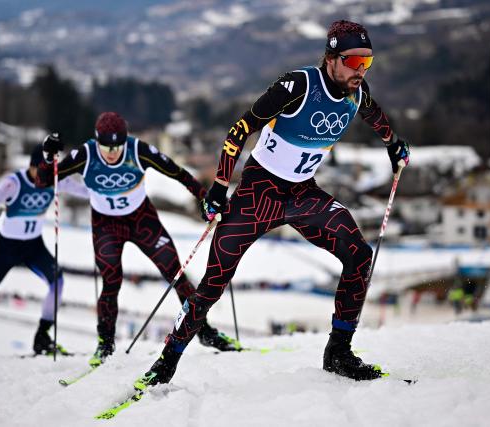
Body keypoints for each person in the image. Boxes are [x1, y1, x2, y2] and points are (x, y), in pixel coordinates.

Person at [139, 19, 411, 386]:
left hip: (302, 195)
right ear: (330, 58)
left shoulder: (354, 94)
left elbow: (375, 117)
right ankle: (167, 361)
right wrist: (220, 185)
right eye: (352, 61)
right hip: (258, 195)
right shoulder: (298, 85)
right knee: (213, 284)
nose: (359, 70)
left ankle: (339, 354)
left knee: (359, 255)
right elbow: (240, 130)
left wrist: (393, 144)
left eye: (367, 62)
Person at [36, 112, 239, 368]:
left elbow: (178, 173)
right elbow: (45, 180)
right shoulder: (85, 155)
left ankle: (204, 331)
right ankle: (105, 343)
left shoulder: (138, 150)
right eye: (106, 146)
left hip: (142, 221)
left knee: (176, 274)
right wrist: (47, 158)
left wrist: (206, 198)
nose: (112, 152)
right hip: (106, 226)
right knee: (111, 283)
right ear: (97, 141)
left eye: (117, 146)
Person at [0, 146, 89, 358]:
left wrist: (101, 190)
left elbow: (85, 191)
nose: (44, 178)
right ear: (31, 167)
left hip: (34, 246)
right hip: (7, 248)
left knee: (58, 282)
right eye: (41, 172)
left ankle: (42, 337)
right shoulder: (13, 183)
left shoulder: (55, 180)